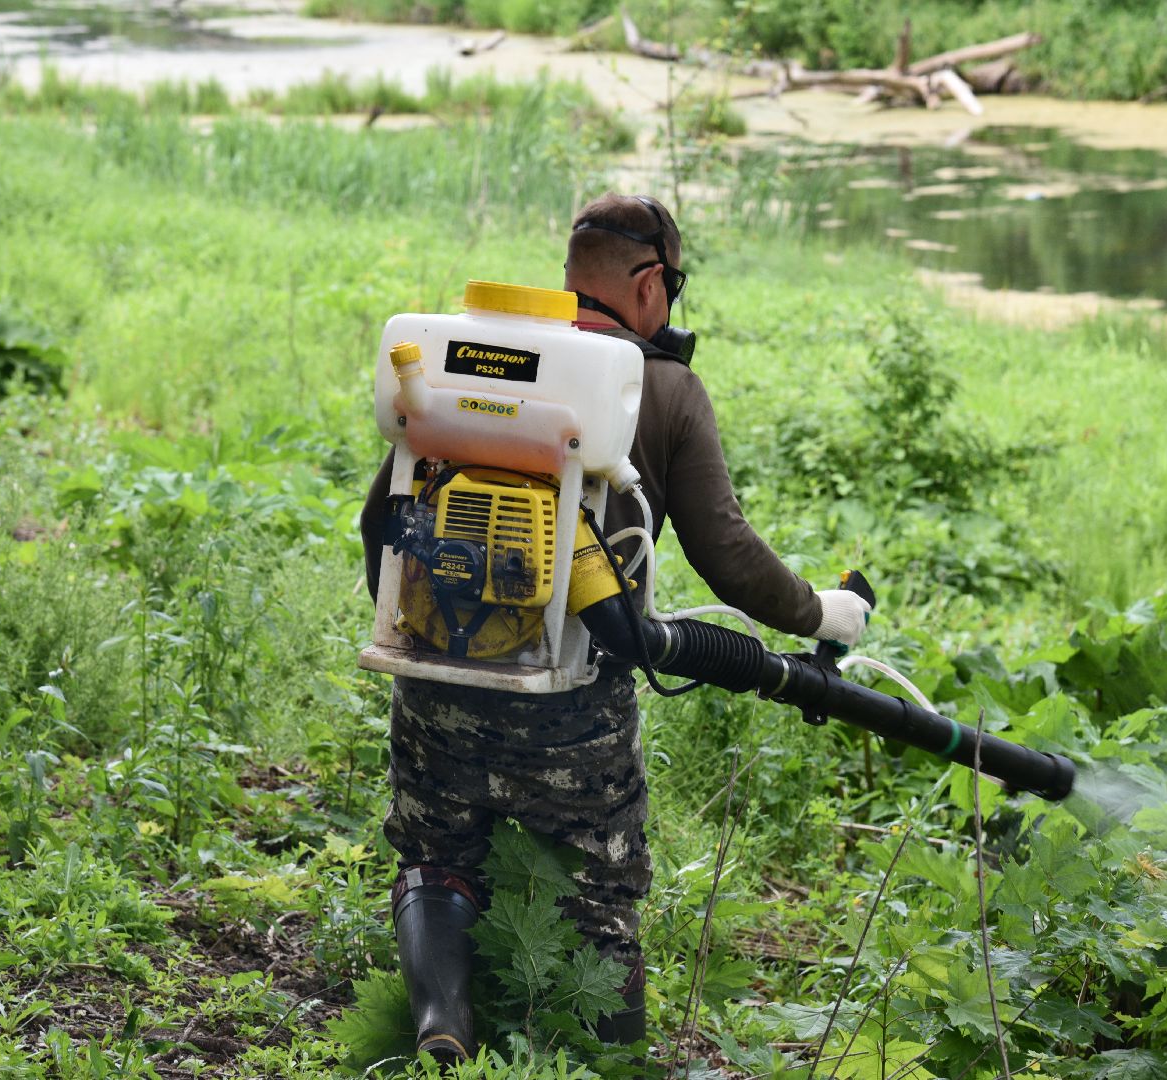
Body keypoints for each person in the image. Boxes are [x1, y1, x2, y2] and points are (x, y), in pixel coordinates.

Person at [359, 193, 871, 1061]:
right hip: (574, 702)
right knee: (599, 891)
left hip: (436, 673)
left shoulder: (474, 356)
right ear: (648, 284)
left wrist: (432, 643)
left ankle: (442, 1022)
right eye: (672, 282)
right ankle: (612, 1058)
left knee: (435, 858)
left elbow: (383, 520)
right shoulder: (662, 388)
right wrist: (820, 610)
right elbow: (728, 553)